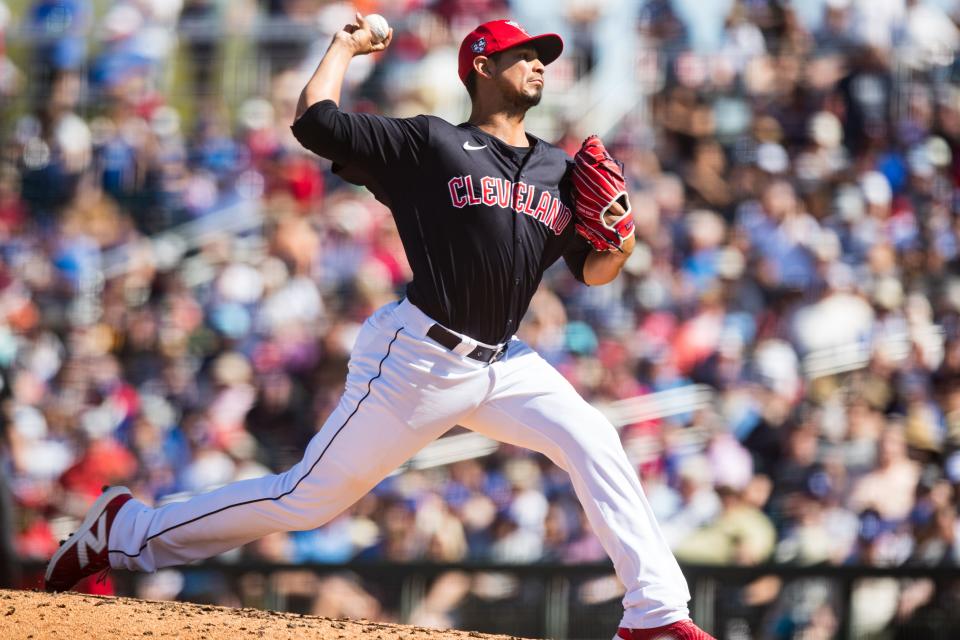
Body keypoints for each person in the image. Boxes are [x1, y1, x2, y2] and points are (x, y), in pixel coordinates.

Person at [45, 15, 712, 639]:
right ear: (481, 65)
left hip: (506, 363)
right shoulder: (431, 142)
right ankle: (123, 530)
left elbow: (594, 271)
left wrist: (620, 241)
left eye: (543, 58)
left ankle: (654, 613)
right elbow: (316, 123)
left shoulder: (559, 173)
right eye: (524, 55)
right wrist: (343, 46)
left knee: (594, 436)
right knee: (305, 499)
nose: (539, 64)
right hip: (420, 357)